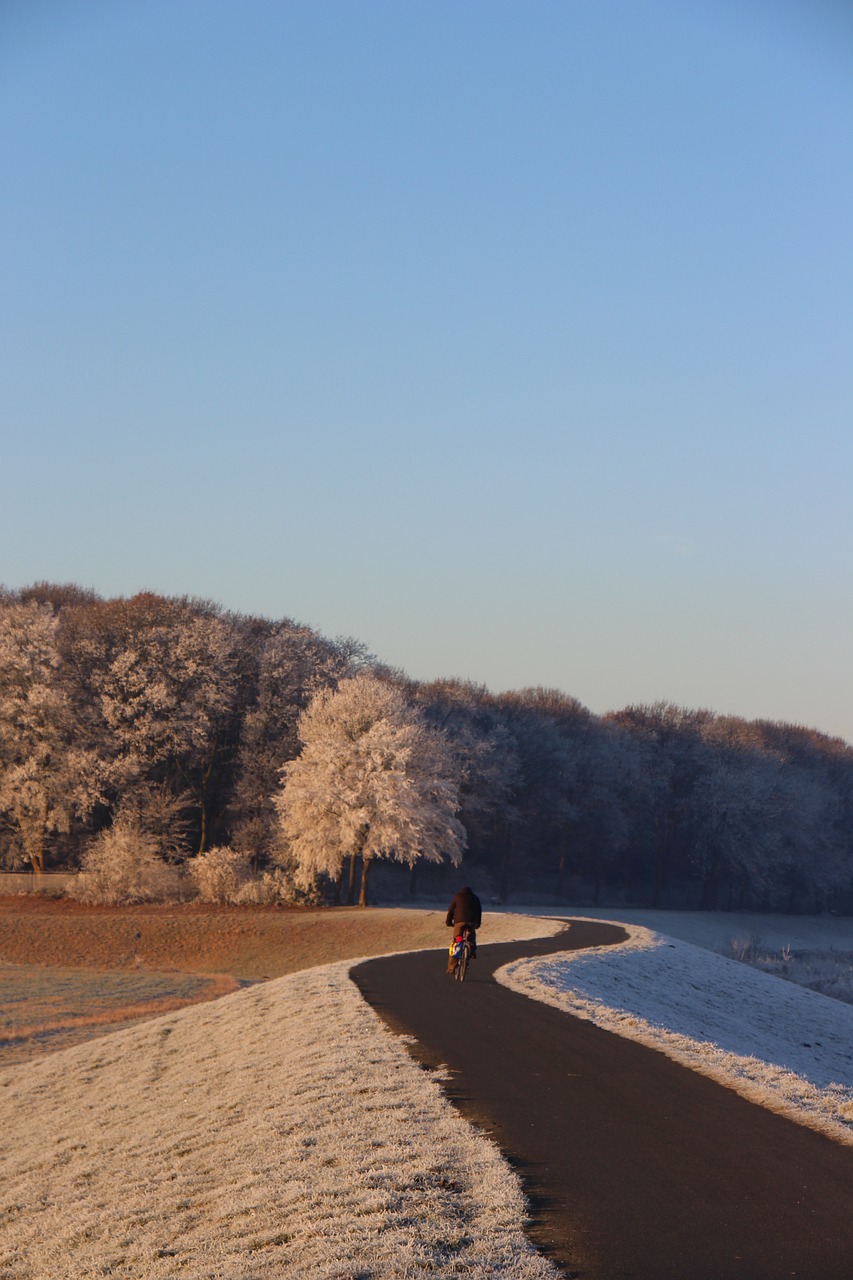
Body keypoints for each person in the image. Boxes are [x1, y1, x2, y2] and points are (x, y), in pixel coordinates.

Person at [445, 885, 482, 974]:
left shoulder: (457, 896)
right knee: (471, 936)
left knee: (457, 942)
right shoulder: (475, 898)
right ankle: (472, 950)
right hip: (471, 922)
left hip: (459, 922)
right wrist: (478, 924)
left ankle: (451, 968)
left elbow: (451, 910)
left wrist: (449, 922)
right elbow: (479, 911)